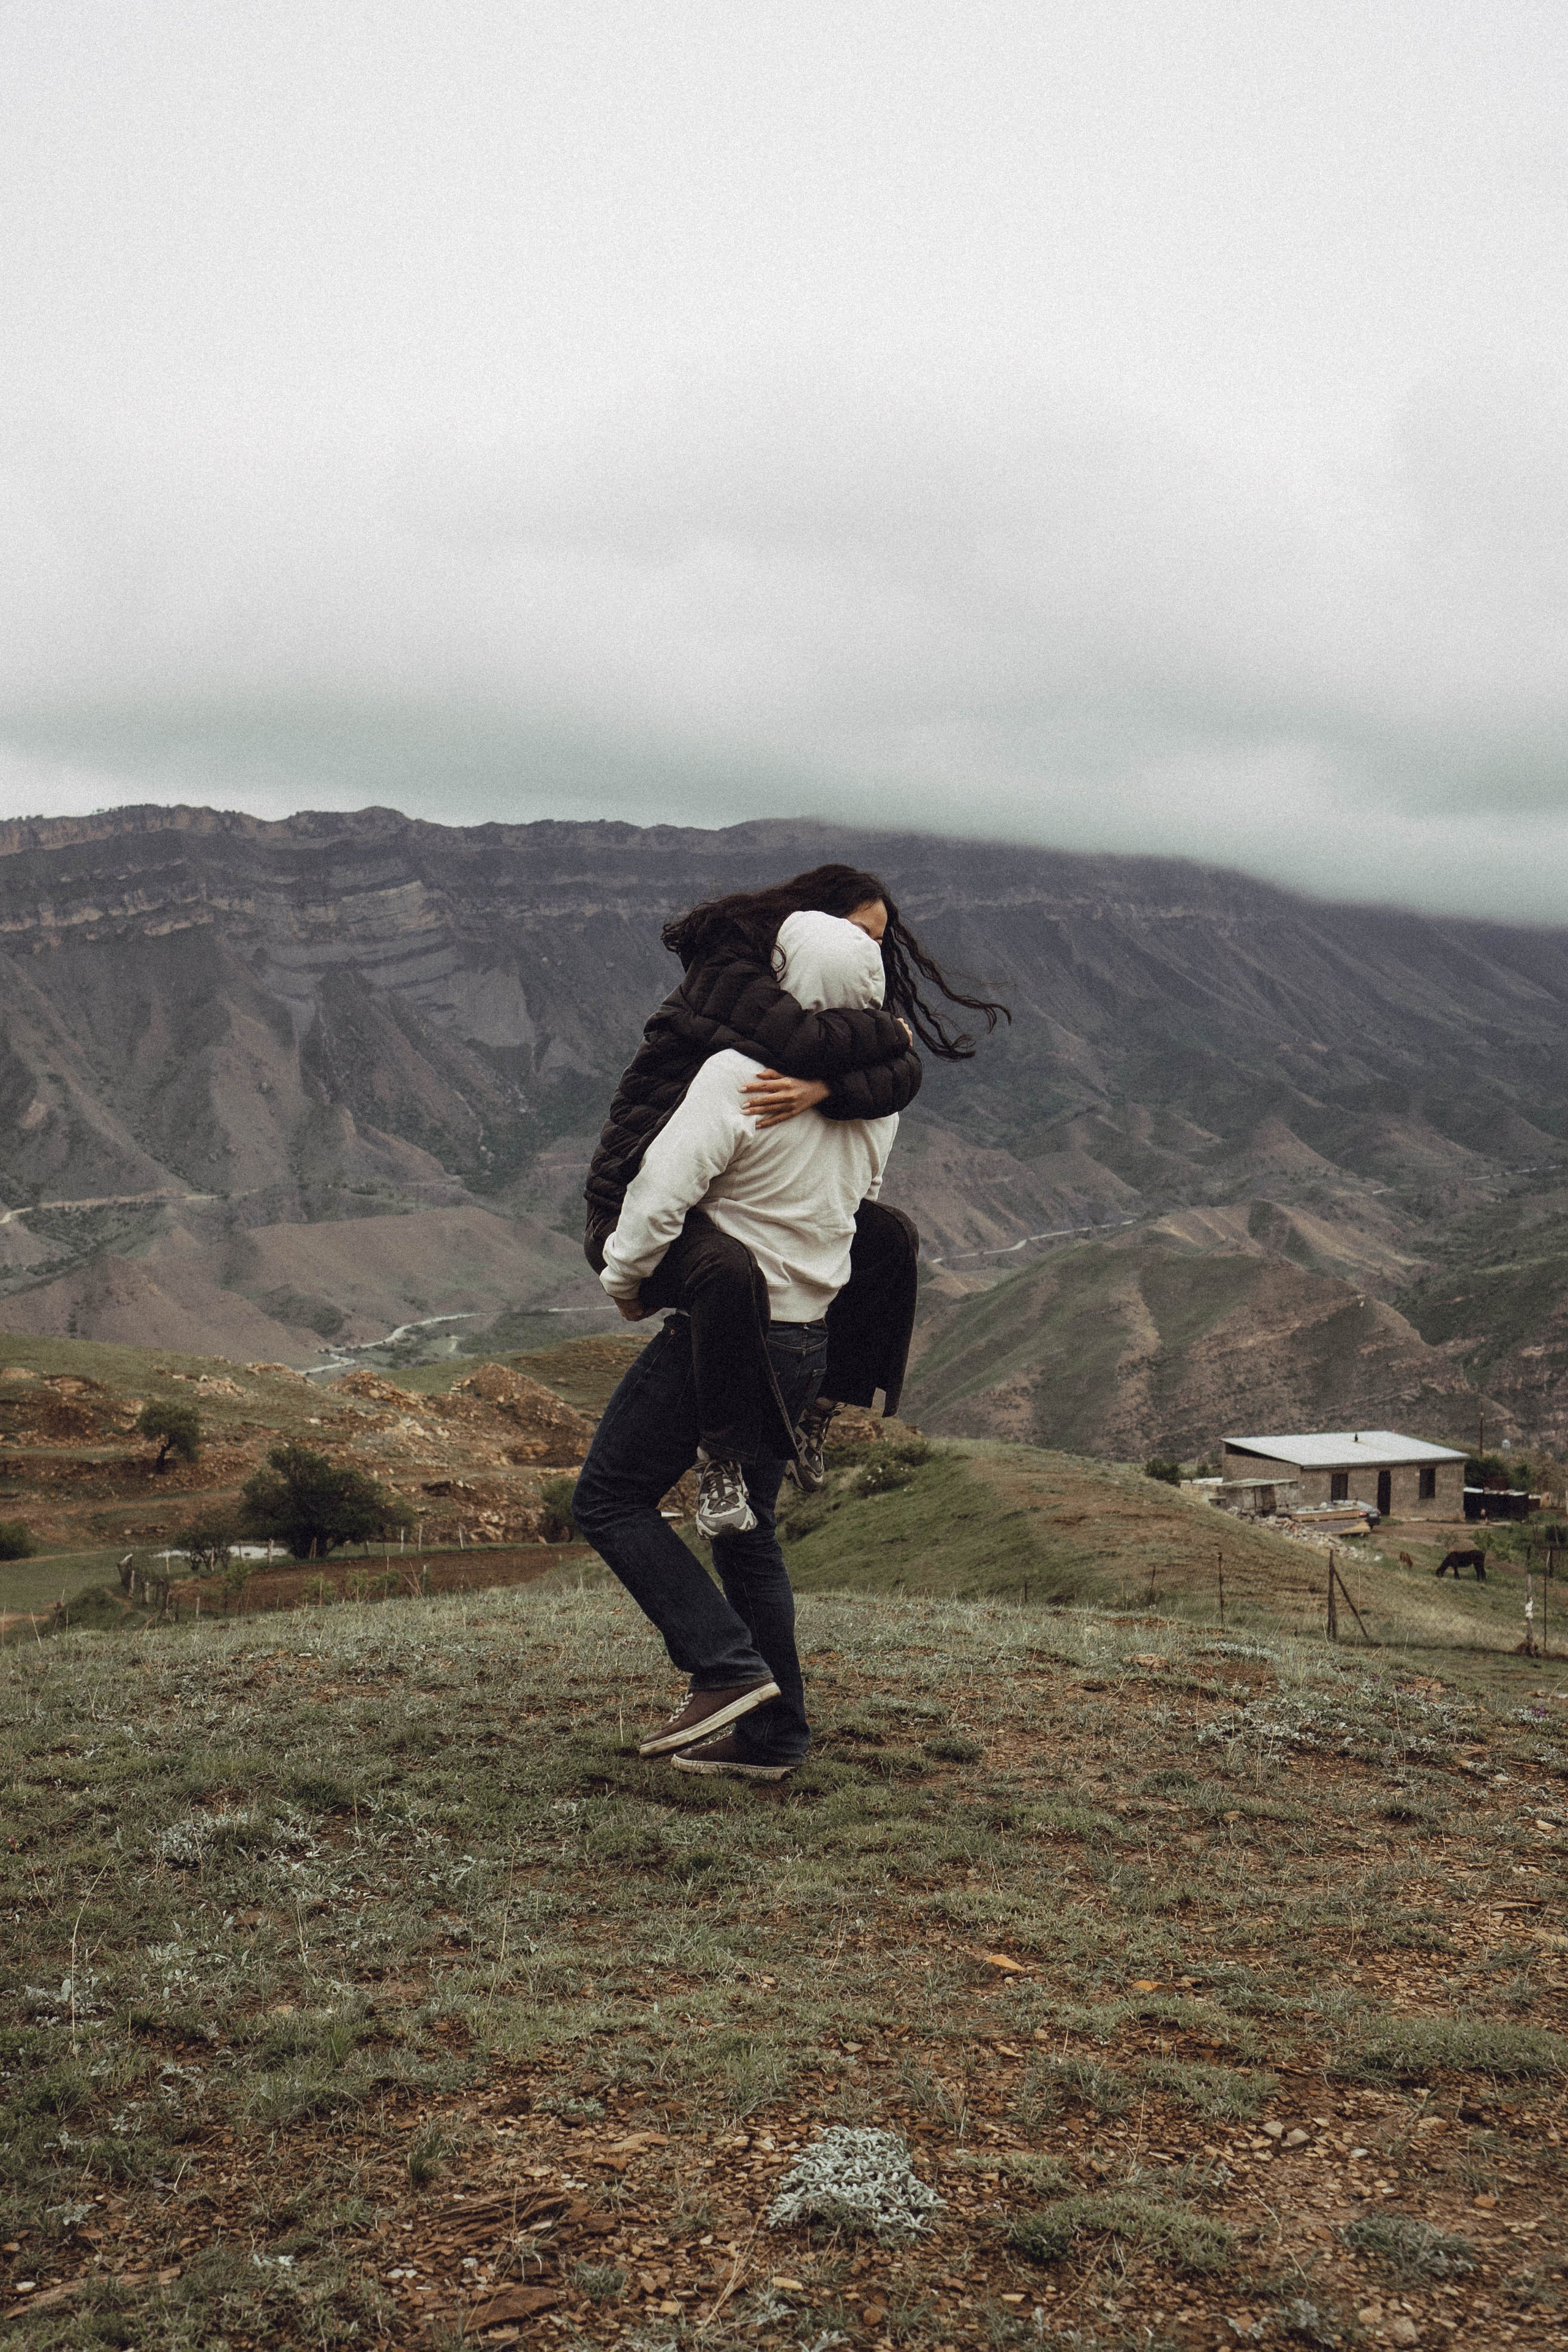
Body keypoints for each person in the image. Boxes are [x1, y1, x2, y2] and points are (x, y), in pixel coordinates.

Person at [571, 910, 906, 1780]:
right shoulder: (873, 1095)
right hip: (807, 1340)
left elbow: (661, 1193)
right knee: (746, 1533)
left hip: (726, 1333)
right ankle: (773, 1738)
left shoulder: (737, 1074)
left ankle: (723, 1670)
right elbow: (863, 1192)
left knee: (609, 1498)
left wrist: (624, 1281)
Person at [583, 862, 1008, 1531]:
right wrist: (878, 1046)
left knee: (886, 1237)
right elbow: (813, 1043)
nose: (869, 953)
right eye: (857, 936)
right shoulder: (735, 975)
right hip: (634, 1183)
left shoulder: (796, 1024)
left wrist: (828, 1090)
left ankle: (817, 1409)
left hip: (729, 1232)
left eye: (875, 942)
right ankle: (720, 1455)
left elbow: (872, 1071)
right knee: (726, 1271)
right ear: (809, 929)